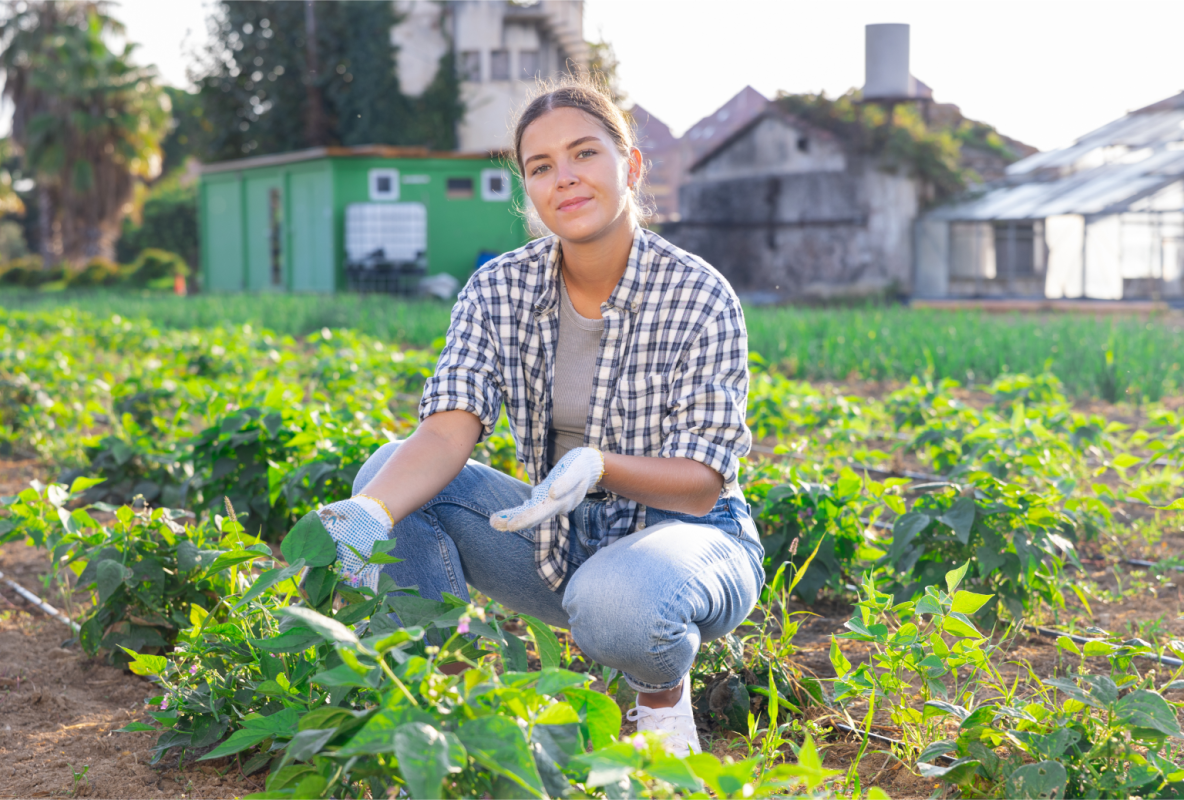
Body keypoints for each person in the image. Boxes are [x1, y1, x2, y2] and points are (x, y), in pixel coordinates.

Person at [314, 76, 764, 756]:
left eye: (585, 154)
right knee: (387, 477)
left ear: (631, 166)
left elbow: (703, 480)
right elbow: (447, 428)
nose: (566, 179)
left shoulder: (698, 293)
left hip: (691, 542)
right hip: (556, 541)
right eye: (542, 166)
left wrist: (600, 466)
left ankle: (663, 714)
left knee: (623, 602)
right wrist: (370, 515)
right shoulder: (500, 289)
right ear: (526, 188)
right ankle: (444, 710)